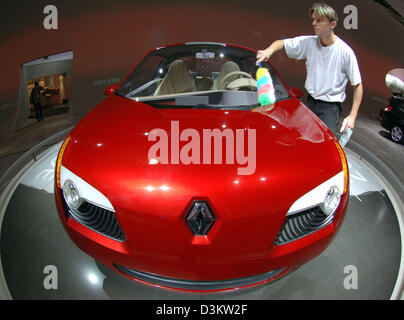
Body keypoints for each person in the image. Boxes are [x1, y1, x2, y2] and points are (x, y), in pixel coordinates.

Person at [256, 2, 363, 134]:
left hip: (329, 108)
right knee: (304, 138)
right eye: (313, 19)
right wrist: (268, 51)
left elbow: (358, 85)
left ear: (332, 24)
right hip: (311, 102)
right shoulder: (309, 43)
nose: (314, 23)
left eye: (319, 20)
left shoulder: (345, 52)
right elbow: (281, 43)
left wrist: (352, 116)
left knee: (324, 145)